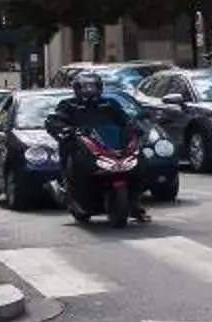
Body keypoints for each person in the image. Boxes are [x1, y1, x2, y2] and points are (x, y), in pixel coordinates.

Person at [46, 78, 149, 223]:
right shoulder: (68, 104)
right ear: (77, 89)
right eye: (84, 86)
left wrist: (135, 127)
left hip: (110, 146)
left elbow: (125, 120)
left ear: (99, 88)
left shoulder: (110, 103)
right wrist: (63, 128)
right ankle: (71, 193)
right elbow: (55, 119)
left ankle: (135, 203)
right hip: (80, 145)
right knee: (70, 156)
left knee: (140, 164)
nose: (88, 90)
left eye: (92, 86)